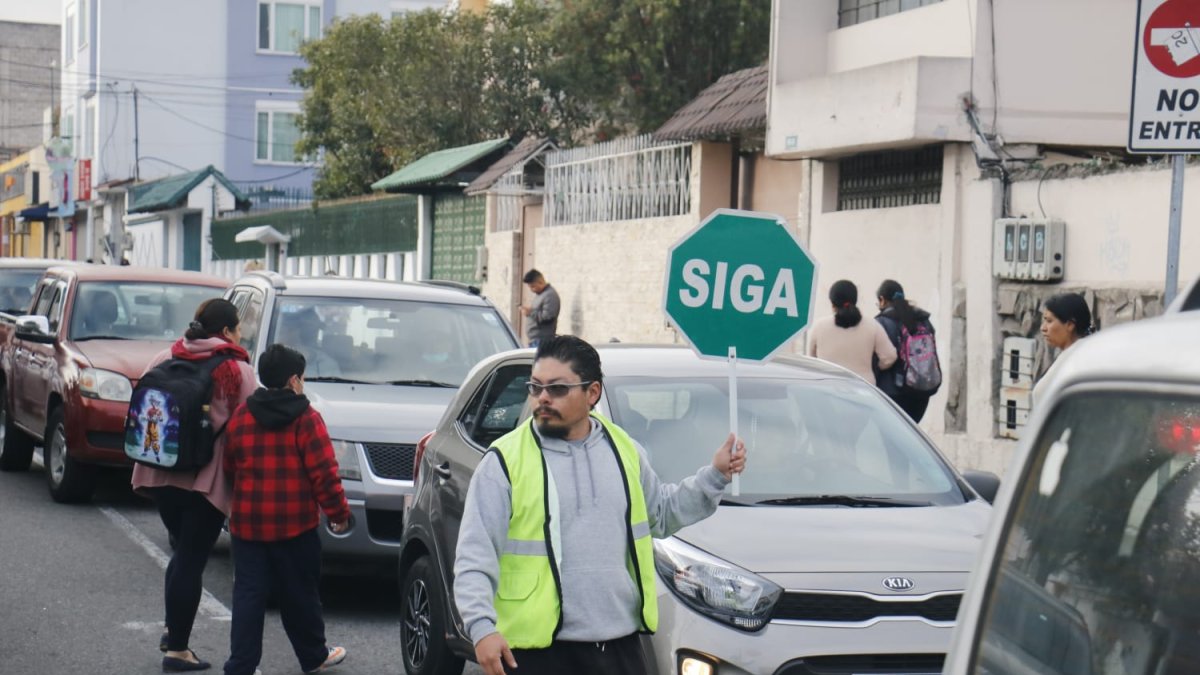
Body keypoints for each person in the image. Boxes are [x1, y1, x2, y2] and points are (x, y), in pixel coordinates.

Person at [453, 335, 747, 675]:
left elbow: (661, 515)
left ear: (592, 393)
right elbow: (475, 555)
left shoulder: (625, 450)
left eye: (558, 388)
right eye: (536, 387)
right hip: (535, 653)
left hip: (619, 648)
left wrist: (715, 476)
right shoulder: (504, 461)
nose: (543, 398)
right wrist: (481, 627)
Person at [131, 299, 257, 672]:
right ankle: (178, 650)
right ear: (227, 332)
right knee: (191, 558)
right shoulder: (237, 370)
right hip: (205, 479)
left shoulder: (165, 357)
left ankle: (173, 633)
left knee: (183, 554)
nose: (241, 334)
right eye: (238, 328)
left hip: (160, 471)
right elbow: (249, 426)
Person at [221, 344, 351, 675]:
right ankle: (313, 655)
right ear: (294, 380)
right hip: (296, 526)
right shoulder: (307, 420)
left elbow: (230, 467)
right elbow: (324, 474)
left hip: (248, 525)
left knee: (249, 596)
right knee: (301, 595)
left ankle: (241, 665)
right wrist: (338, 514)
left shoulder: (242, 416)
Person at [807, 279, 897, 383]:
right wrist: (873, 368)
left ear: (832, 303)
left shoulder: (819, 326)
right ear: (855, 301)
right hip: (863, 388)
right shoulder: (872, 325)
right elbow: (890, 357)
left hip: (827, 387)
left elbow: (811, 360)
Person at [873, 279, 938, 423]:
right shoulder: (924, 320)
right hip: (921, 393)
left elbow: (880, 359)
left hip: (893, 395)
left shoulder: (882, 323)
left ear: (882, 300)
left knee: (890, 441)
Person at [1032, 293, 1093, 404]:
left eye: (1049, 321)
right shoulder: (1073, 353)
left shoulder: (1078, 359)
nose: (1043, 328)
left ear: (1069, 325)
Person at [519, 269, 560, 348]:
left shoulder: (550, 295)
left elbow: (548, 317)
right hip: (535, 340)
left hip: (542, 341)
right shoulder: (541, 294)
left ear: (540, 282)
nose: (531, 290)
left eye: (533, 286)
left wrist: (530, 313)